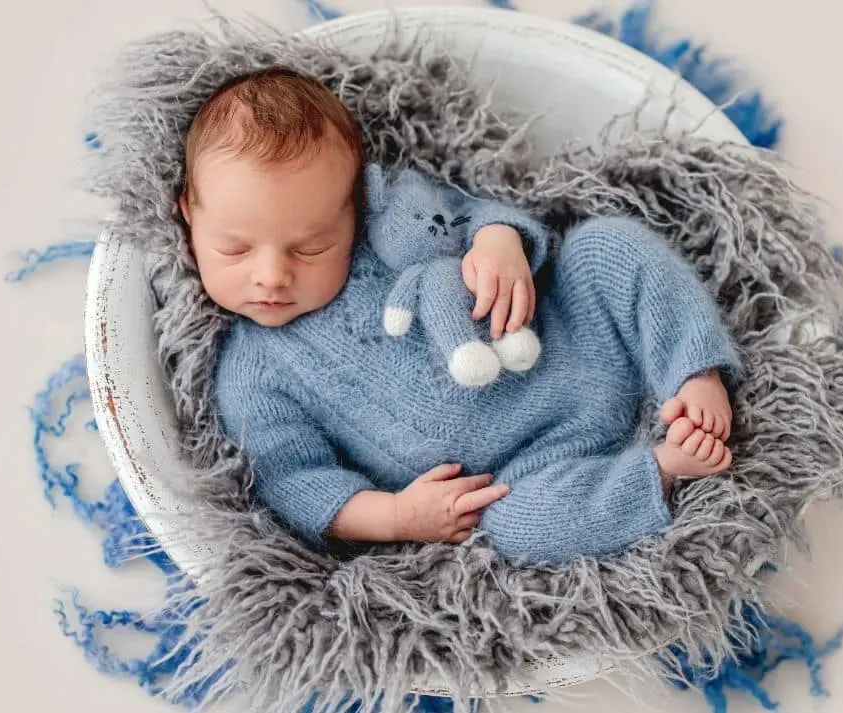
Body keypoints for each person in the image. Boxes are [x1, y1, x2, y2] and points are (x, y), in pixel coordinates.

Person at [180, 67, 741, 564]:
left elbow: (472, 214)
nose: (272, 275)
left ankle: (693, 374)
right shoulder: (252, 371)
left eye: (311, 247)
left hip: (574, 334)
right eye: (235, 249)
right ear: (188, 213)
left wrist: (498, 242)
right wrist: (398, 516)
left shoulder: (391, 217)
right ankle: (663, 467)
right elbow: (296, 481)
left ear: (356, 204)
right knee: (517, 527)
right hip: (527, 467)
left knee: (606, 247)